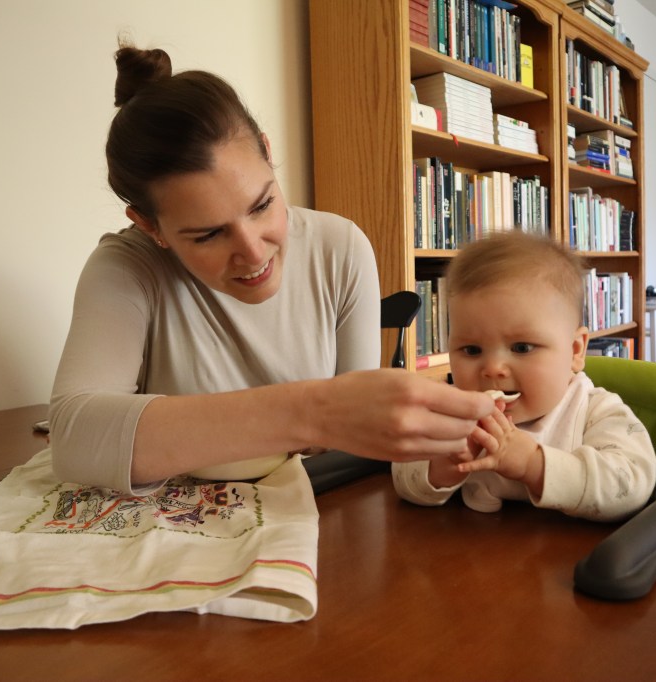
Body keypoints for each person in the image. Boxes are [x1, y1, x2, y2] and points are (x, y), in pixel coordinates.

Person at [48, 44, 495, 494]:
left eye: (262, 205)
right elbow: (75, 437)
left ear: (266, 150)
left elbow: (356, 445)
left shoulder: (340, 248)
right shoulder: (128, 267)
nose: (253, 251)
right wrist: (315, 412)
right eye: (208, 234)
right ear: (149, 225)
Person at [392, 231, 656, 521]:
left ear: (574, 351)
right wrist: (442, 464)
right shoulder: (453, 413)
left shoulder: (595, 411)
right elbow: (403, 477)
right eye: (471, 350)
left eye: (522, 348)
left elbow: (630, 486)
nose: (493, 368)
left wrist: (534, 464)